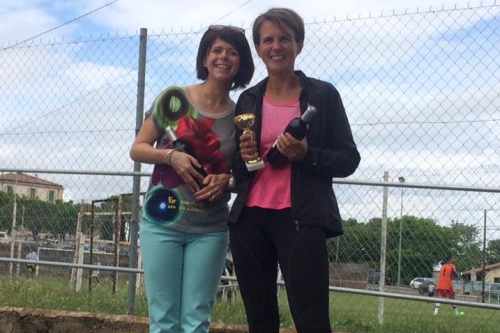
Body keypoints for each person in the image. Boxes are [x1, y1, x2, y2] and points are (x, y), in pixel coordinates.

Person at [228, 8, 361, 333]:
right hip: (249, 221)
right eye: (268, 40)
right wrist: (244, 159)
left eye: (285, 38)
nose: (277, 47)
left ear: (299, 45)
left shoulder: (323, 95)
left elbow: (348, 159)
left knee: (312, 321)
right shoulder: (248, 99)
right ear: (259, 49)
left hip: (301, 221)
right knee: (260, 321)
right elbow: (238, 168)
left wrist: (306, 154)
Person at [130, 25, 254, 333]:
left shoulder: (242, 118)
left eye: (233, 52)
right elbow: (138, 149)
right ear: (204, 58)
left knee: (197, 319)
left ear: (242, 63)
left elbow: (246, 177)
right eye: (217, 50)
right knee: (163, 318)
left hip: (210, 230)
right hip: (162, 223)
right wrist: (172, 156)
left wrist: (226, 181)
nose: (224, 57)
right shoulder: (173, 99)